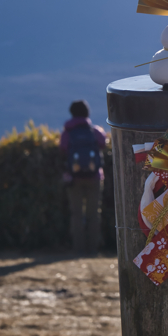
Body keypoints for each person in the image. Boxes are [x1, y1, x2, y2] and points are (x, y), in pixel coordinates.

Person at [59, 100, 107, 254]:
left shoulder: (67, 133)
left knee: (77, 214)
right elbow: (103, 143)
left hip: (73, 177)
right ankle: (93, 249)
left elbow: (62, 148)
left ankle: (78, 249)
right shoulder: (95, 131)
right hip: (94, 177)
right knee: (94, 213)